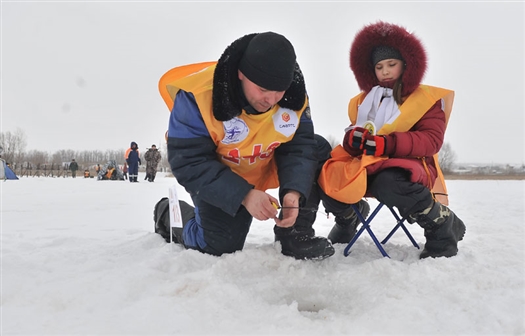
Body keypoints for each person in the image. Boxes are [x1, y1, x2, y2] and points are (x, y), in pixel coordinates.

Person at [157, 32, 335, 260]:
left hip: (264, 160)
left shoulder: (292, 95)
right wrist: (244, 195)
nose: (271, 100)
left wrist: (294, 192)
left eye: (278, 92)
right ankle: (167, 213)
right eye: (263, 90)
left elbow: (298, 148)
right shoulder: (197, 97)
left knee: (318, 148)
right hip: (223, 174)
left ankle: (293, 234)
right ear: (241, 74)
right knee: (218, 245)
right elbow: (189, 162)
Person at [318, 21, 466, 259]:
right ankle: (348, 219)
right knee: (327, 171)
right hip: (367, 163)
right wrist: (352, 140)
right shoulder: (364, 101)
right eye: (379, 66)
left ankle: (442, 225)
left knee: (388, 183)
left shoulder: (426, 99)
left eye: (391, 64)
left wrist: (387, 143)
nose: (385, 71)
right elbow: (354, 130)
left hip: (409, 164)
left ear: (405, 65)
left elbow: (431, 140)